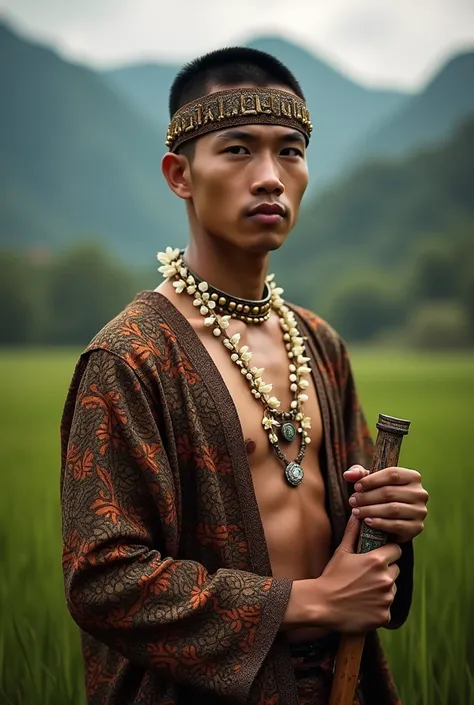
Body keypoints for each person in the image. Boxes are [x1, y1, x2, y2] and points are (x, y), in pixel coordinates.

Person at [60, 47, 429, 705]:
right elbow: (104, 579)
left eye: (290, 151)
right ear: (181, 174)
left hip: (338, 683)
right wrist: (310, 601)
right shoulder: (130, 357)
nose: (270, 177)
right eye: (237, 150)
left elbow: (355, 546)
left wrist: (386, 520)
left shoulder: (320, 344)